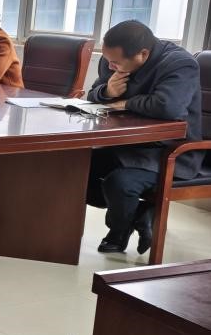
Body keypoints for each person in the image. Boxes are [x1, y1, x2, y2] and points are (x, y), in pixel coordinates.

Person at [86, 20, 204, 255]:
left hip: (171, 151)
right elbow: (93, 94)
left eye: (116, 63)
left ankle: (118, 232)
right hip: (128, 144)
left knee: (120, 183)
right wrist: (106, 92)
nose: (110, 66)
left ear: (143, 54)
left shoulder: (179, 64)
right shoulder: (112, 59)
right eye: (108, 60)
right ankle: (139, 214)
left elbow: (168, 106)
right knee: (76, 168)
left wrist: (125, 103)